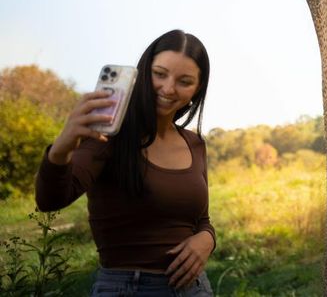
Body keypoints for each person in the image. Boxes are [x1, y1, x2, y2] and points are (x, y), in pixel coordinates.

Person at [36, 29, 216, 296]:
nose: (168, 88)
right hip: (127, 288)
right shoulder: (110, 134)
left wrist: (207, 239)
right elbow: (50, 200)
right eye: (160, 74)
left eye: (184, 81)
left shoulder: (195, 144)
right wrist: (63, 146)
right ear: (143, 72)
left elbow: (201, 219)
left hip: (195, 289)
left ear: (196, 88)